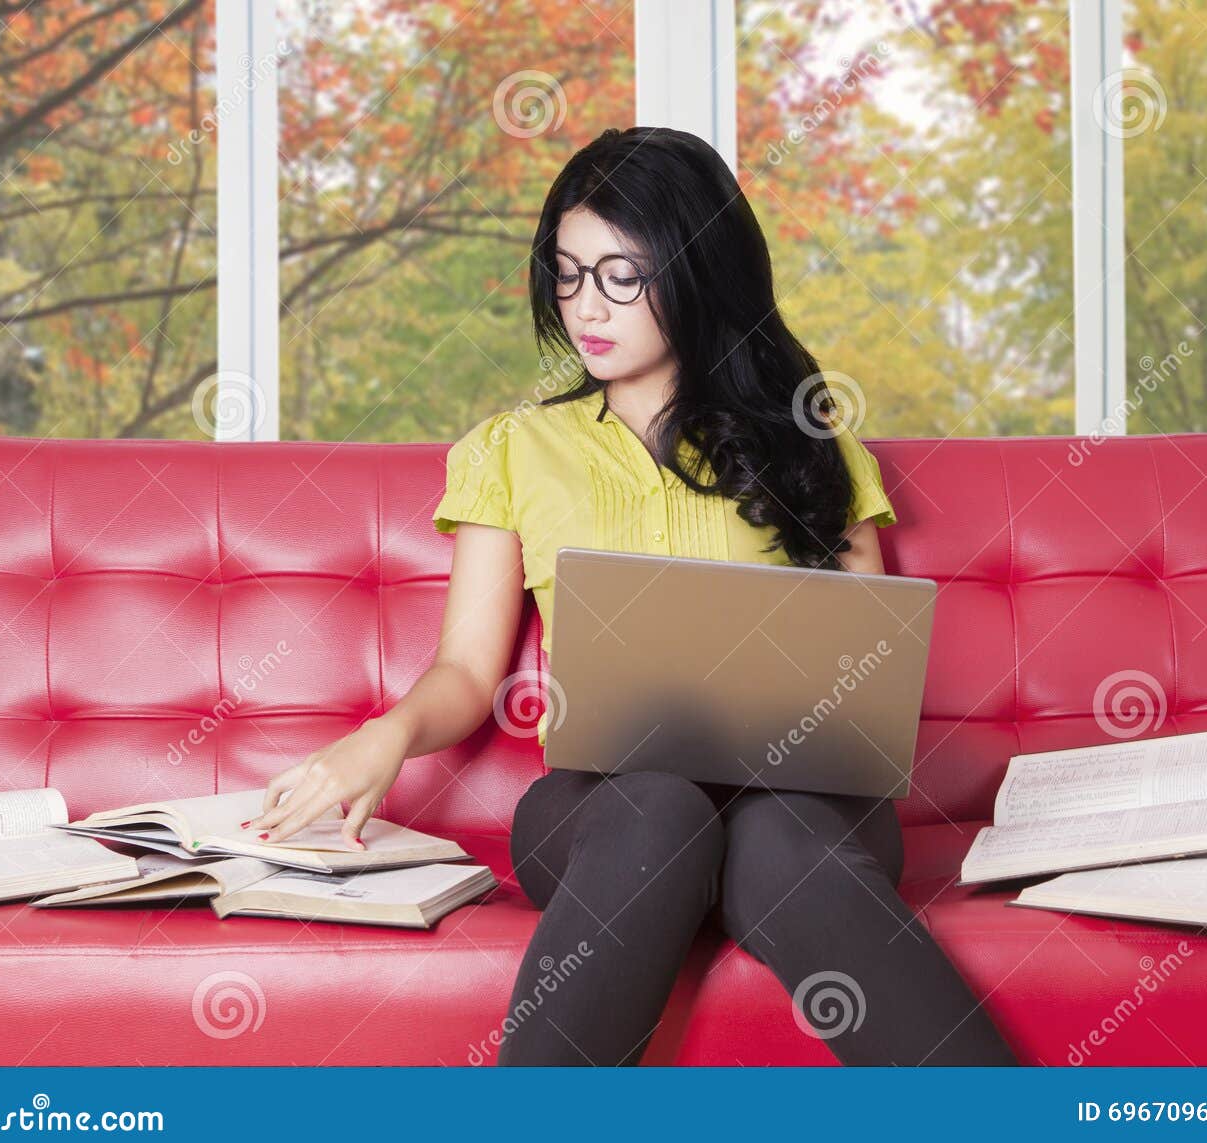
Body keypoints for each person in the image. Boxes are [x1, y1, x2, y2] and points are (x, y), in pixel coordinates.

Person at [245, 126, 1016, 1068]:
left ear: (698, 276)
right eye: (568, 275)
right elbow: (464, 667)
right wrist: (389, 733)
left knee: (777, 839)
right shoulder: (513, 451)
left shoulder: (813, 444)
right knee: (658, 808)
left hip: (805, 802)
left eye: (621, 275)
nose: (585, 306)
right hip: (605, 805)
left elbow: (871, 664)